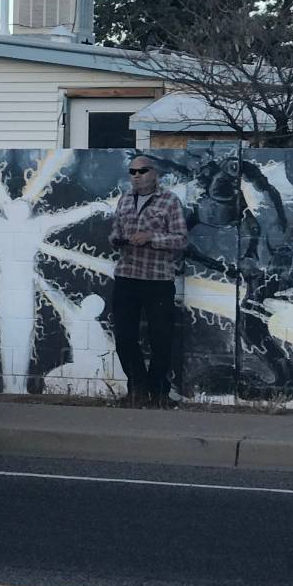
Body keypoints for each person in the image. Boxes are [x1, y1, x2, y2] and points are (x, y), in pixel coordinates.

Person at [110, 155, 188, 407]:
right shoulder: (124, 199)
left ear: (155, 173)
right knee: (124, 336)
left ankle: (157, 392)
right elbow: (116, 230)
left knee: (161, 338)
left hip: (157, 279)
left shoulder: (169, 201)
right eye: (132, 171)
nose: (136, 175)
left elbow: (180, 239)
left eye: (142, 171)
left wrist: (151, 238)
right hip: (126, 276)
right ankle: (137, 388)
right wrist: (116, 239)